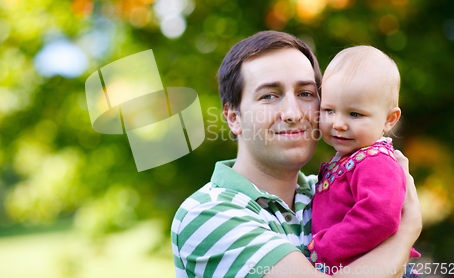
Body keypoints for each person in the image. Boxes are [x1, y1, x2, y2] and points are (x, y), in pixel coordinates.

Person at [171, 31, 421, 278]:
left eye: (305, 94)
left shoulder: (331, 191)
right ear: (234, 118)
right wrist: (408, 230)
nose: (293, 113)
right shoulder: (209, 213)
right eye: (269, 96)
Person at [308, 46, 420, 275]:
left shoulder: (376, 163)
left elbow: (378, 218)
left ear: (389, 120)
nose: (338, 123)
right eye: (329, 110)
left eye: (355, 114)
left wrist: (325, 246)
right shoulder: (352, 158)